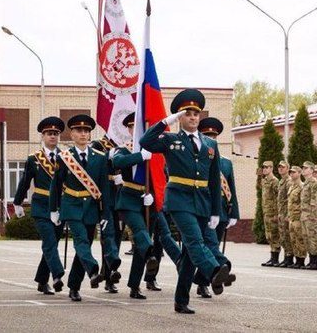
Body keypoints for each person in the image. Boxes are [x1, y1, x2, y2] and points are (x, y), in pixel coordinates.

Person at [140, 89, 230, 314]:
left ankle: (180, 300)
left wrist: (215, 211)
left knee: (190, 256)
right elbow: (146, 141)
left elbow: (213, 180)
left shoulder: (210, 144)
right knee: (195, 241)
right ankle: (214, 271)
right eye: (187, 113)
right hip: (179, 200)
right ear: (181, 117)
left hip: (202, 201)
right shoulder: (171, 140)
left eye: (195, 114)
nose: (192, 117)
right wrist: (167, 121)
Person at [49, 114, 121, 302]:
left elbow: (104, 188)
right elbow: (56, 185)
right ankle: (94, 270)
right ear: (71, 134)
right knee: (81, 241)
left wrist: (106, 213)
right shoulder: (64, 157)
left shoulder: (100, 157)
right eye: (79, 130)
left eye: (86, 131)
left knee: (85, 247)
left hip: (91, 207)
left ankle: (74, 286)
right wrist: (54, 209)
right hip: (71, 205)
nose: (83, 134)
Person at [111, 112, 161, 299]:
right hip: (129, 200)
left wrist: (154, 197)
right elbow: (118, 162)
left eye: (139, 127)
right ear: (128, 129)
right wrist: (140, 156)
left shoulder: (155, 150)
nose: (136, 131)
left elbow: (162, 173)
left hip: (148, 200)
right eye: (132, 127)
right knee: (141, 232)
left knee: (143, 242)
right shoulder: (124, 149)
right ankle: (150, 255)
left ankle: (134, 285)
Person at [13, 116, 66, 295]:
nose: (53, 136)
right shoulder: (33, 159)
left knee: (52, 245)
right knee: (49, 242)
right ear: (42, 136)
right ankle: (58, 276)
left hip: (59, 207)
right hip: (41, 206)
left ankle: (42, 281)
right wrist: (18, 202)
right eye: (49, 133)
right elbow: (25, 182)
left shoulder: (65, 158)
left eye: (56, 134)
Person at [194, 116, 239, 298]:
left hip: (221, 209)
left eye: (213, 135)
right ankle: (213, 275)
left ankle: (207, 280)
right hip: (202, 205)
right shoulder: (197, 156)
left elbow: (231, 186)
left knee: (214, 244)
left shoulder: (226, 162)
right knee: (206, 245)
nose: (211, 138)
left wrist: (234, 211)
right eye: (207, 135)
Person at [91, 133, 121, 294]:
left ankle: (107, 272)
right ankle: (107, 276)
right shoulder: (98, 145)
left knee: (117, 236)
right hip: (105, 197)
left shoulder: (125, 146)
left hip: (121, 197)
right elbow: (92, 168)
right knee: (107, 237)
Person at [300, 161, 317, 270]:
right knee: (306, 237)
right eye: (303, 168)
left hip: (311, 215)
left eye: (306, 168)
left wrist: (312, 214)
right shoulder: (306, 183)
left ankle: (315, 260)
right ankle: (311, 258)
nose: (303, 169)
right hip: (305, 214)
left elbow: (315, 200)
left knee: (312, 237)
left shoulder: (314, 182)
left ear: (312, 170)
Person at [260, 160, 280, 267]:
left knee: (274, 235)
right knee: (269, 235)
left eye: (267, 167)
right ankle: (272, 257)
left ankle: (275, 258)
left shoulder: (274, 181)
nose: (264, 169)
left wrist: (277, 213)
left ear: (271, 168)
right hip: (266, 212)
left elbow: (278, 198)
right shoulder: (264, 181)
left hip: (273, 213)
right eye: (263, 167)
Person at [287, 165, 306, 268]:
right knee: (293, 239)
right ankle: (297, 259)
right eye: (291, 172)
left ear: (299, 173)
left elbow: (303, 203)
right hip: (291, 217)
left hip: (298, 217)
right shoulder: (291, 187)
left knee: (300, 238)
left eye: (294, 172)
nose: (292, 174)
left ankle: (301, 260)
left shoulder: (302, 186)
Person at [277, 161, 294, 267]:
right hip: (281, 213)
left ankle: (289, 257)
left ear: (288, 169)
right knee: (283, 236)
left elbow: (290, 200)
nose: (281, 169)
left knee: (288, 236)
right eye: (279, 167)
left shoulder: (288, 181)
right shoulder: (281, 181)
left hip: (286, 213)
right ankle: (286, 257)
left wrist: (288, 214)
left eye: (283, 167)